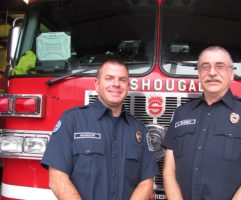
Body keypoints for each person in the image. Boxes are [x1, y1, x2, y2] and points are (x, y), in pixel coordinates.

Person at [162, 46, 241, 200]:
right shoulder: (181, 113)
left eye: (220, 66)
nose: (212, 72)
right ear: (199, 74)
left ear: (231, 73)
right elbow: (169, 171)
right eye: (205, 67)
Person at [41, 59, 158, 200]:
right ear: (97, 84)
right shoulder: (72, 120)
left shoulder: (139, 130)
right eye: (109, 78)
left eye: (122, 80)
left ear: (128, 86)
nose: (116, 84)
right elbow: (57, 178)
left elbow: (146, 182)